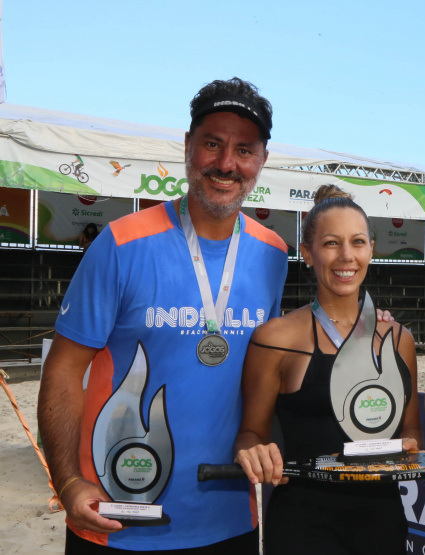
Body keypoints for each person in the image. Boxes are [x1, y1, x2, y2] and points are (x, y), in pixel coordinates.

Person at [38, 77, 288, 553]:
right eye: (212, 144)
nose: (226, 163)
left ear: (262, 161)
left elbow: (274, 362)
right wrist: (68, 482)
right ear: (189, 146)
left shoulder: (274, 253)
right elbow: (65, 369)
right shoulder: (120, 244)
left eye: (244, 149)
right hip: (117, 515)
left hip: (231, 516)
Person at [233, 184, 422, 554]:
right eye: (332, 243)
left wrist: (411, 449)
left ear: (371, 249)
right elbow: (250, 434)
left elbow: (412, 429)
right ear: (307, 253)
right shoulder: (274, 339)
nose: (346, 256)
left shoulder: (399, 339)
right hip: (302, 525)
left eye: (358, 242)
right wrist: (252, 452)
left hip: (381, 521)